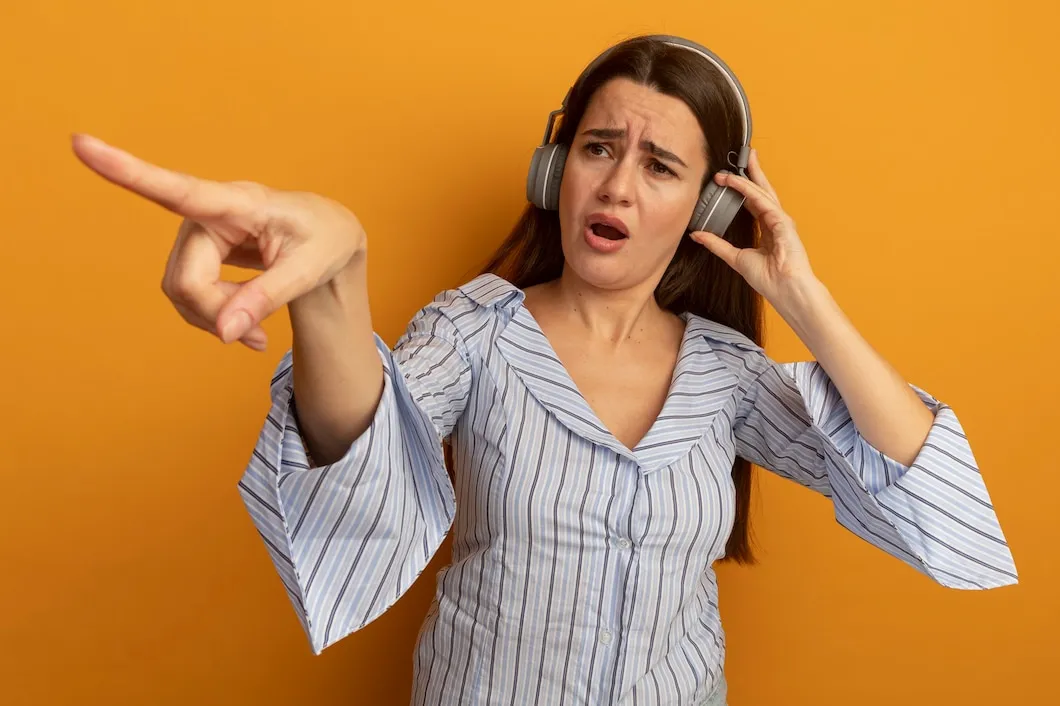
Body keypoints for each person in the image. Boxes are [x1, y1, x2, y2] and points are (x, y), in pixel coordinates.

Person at [72, 34, 1017, 706]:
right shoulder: (475, 330)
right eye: (599, 149)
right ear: (553, 169)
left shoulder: (728, 377)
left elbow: (921, 484)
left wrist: (803, 297)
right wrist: (335, 275)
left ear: (710, 209)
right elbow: (356, 439)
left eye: (659, 166)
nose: (615, 185)